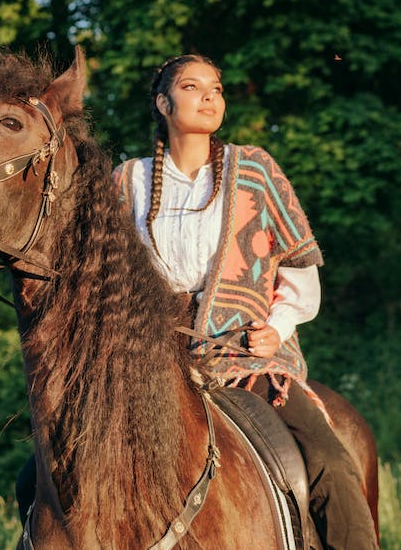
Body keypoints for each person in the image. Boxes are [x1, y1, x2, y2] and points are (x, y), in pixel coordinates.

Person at [111, 54, 378, 550]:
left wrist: (278, 325)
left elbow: (299, 269)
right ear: (163, 103)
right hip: (149, 362)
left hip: (246, 355)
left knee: (332, 463)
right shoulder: (126, 182)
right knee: (39, 476)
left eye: (216, 88)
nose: (210, 97)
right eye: (192, 87)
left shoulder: (254, 169)